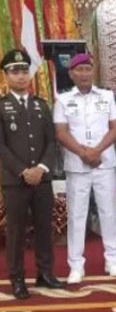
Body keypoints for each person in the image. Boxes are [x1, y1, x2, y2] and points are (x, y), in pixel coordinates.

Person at [0, 50, 65, 299]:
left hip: (42, 179)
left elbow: (51, 142)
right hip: (15, 181)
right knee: (16, 232)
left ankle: (45, 273)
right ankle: (17, 279)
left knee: (44, 228)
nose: (21, 76)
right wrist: (23, 170)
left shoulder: (41, 105)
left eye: (24, 71)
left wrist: (42, 168)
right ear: (6, 76)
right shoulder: (2, 106)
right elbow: (2, 146)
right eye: (15, 71)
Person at [54, 53, 116, 283]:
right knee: (77, 215)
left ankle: (112, 259)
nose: (84, 73)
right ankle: (76, 265)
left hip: (104, 163)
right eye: (79, 70)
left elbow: (115, 129)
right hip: (77, 165)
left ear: (93, 71)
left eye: (87, 69)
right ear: (71, 73)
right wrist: (83, 153)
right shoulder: (63, 100)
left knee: (108, 212)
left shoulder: (107, 96)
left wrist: (97, 151)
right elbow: (61, 133)